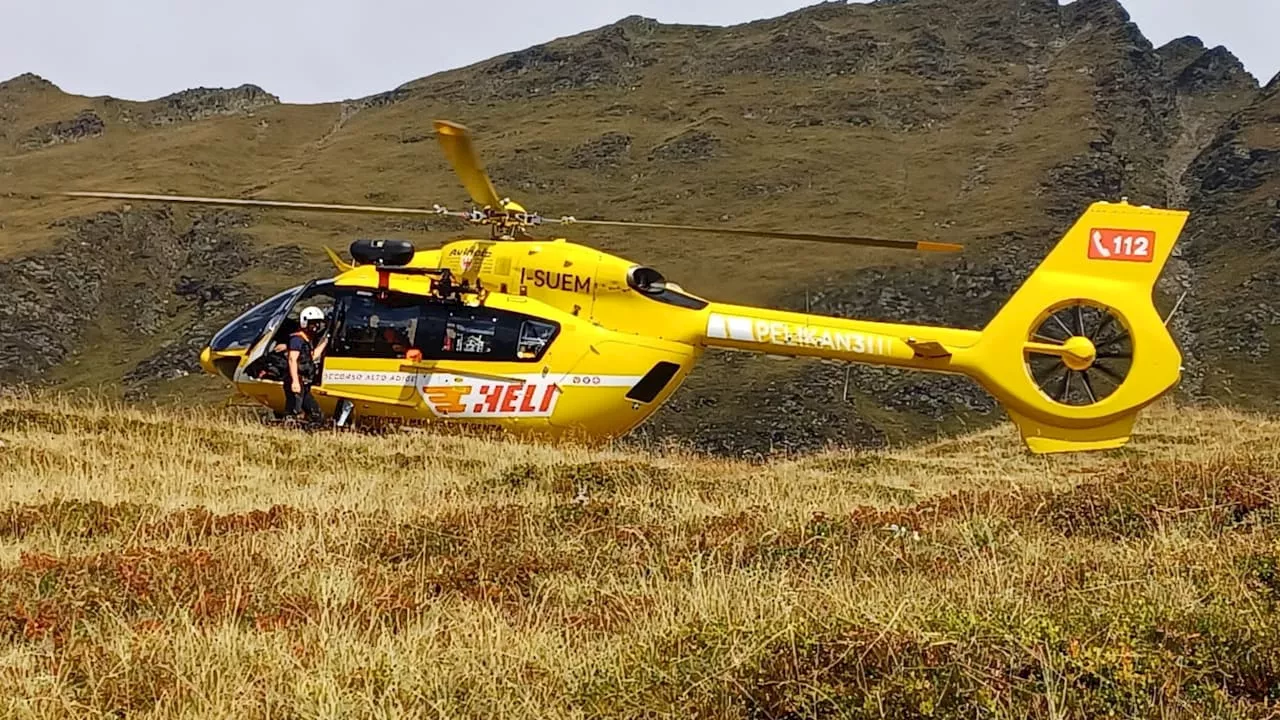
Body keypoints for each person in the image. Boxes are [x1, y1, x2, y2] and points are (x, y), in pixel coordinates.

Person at [285, 305, 329, 427]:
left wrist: (325, 342)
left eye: (317, 323)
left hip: (304, 383)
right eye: (313, 323)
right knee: (294, 412)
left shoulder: (306, 341)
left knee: (316, 414)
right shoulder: (296, 340)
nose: (315, 327)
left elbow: (312, 356)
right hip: (297, 381)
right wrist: (295, 381)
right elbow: (292, 359)